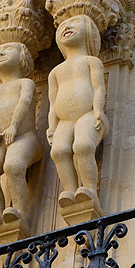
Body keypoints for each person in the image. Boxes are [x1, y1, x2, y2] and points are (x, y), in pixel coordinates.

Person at [46, 14, 108, 211]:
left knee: (83, 145)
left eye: (75, 22)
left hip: (87, 115)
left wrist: (98, 110)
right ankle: (70, 191)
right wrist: (52, 126)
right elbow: (52, 102)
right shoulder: (55, 72)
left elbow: (99, 88)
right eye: (63, 25)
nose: (67, 26)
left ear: (89, 32)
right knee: (58, 151)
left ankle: (89, 190)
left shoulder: (91, 61)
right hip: (64, 120)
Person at [0, 42, 42, 228]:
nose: (0, 53)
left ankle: (20, 212)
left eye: (9, 49)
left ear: (23, 58)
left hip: (24, 137)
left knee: (13, 166)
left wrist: (14, 126)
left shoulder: (25, 83)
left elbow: (25, 101)